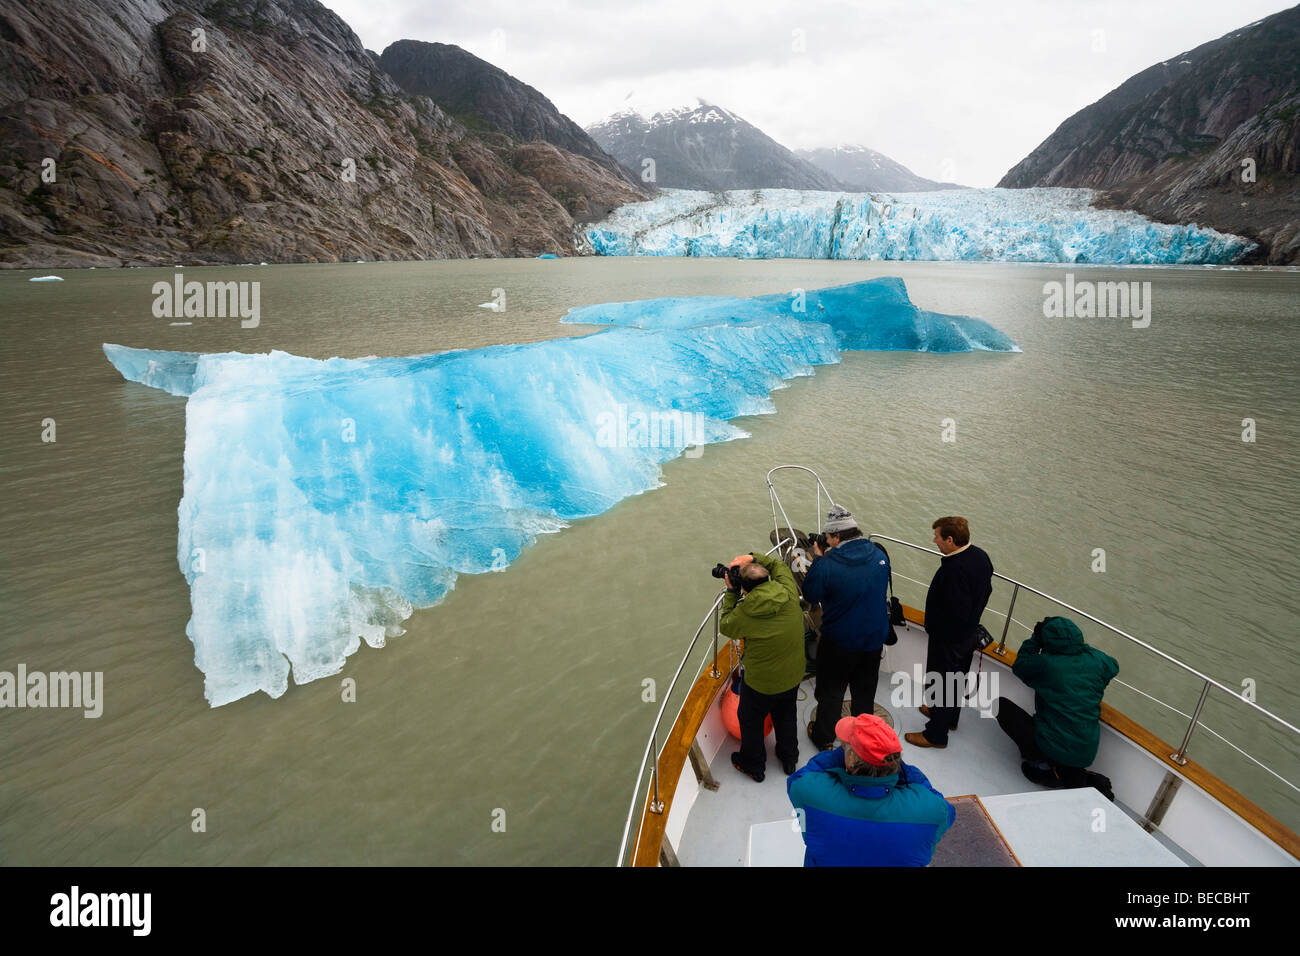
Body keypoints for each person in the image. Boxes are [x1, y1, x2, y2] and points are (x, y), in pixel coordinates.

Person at [788, 713, 955, 866]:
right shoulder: (931, 811)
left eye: (845, 747)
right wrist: (901, 768)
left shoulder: (810, 793)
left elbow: (797, 780)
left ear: (852, 760)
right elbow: (945, 809)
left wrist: (839, 755)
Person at [801, 507, 892, 752]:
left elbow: (810, 593)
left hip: (839, 642)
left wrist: (819, 558)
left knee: (831, 693)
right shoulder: (879, 553)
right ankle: (864, 737)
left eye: (828, 537)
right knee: (864, 693)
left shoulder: (828, 563)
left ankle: (824, 738)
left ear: (837, 537)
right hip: (873, 639)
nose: (826, 541)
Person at [995, 616, 1119, 796]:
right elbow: (1113, 666)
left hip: (1055, 747)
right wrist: (1080, 650)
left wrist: (1035, 640)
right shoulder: (1098, 661)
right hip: (1086, 751)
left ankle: (1044, 767)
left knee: (1001, 706)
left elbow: (1020, 665)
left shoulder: (1046, 664)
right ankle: (1075, 774)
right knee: (1058, 729)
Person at [904, 516, 994, 750]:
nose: (934, 540)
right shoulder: (981, 557)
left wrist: (938, 630)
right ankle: (947, 718)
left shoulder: (954, 570)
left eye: (937, 536)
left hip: (949, 639)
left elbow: (955, 609)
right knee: (956, 679)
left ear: (950, 540)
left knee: (943, 682)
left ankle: (936, 735)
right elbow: (985, 593)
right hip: (967, 635)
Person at [718, 551, 807, 781]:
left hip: (761, 684)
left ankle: (753, 765)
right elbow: (779, 566)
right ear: (768, 579)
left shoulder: (745, 613)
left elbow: (726, 625)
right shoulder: (787, 591)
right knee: (787, 715)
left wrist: (731, 592)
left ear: (745, 590)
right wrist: (751, 558)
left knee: (750, 719)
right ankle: (789, 758)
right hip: (793, 674)